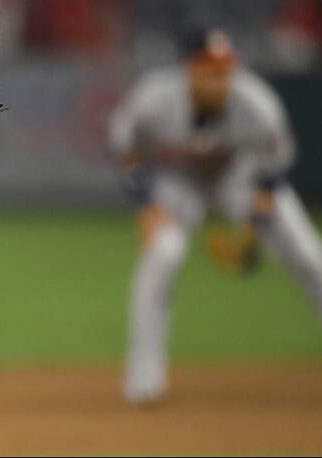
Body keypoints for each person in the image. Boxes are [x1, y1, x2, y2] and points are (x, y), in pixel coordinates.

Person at [109, 28, 322, 405]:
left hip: (240, 177)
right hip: (176, 184)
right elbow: (124, 145)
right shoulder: (155, 97)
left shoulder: (256, 100)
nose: (220, 79)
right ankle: (144, 378)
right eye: (210, 70)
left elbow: (278, 156)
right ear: (188, 70)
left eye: (225, 70)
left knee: (308, 255)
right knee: (162, 254)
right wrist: (148, 204)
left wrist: (257, 216)